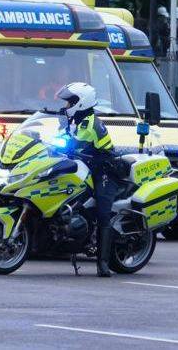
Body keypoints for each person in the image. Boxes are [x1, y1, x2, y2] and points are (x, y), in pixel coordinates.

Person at [57, 82, 116, 277]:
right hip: (85, 168)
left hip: (103, 170)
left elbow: (77, 146)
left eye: (69, 103)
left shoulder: (93, 124)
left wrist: (65, 144)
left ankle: (103, 263)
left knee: (103, 213)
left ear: (80, 103)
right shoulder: (78, 120)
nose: (66, 107)